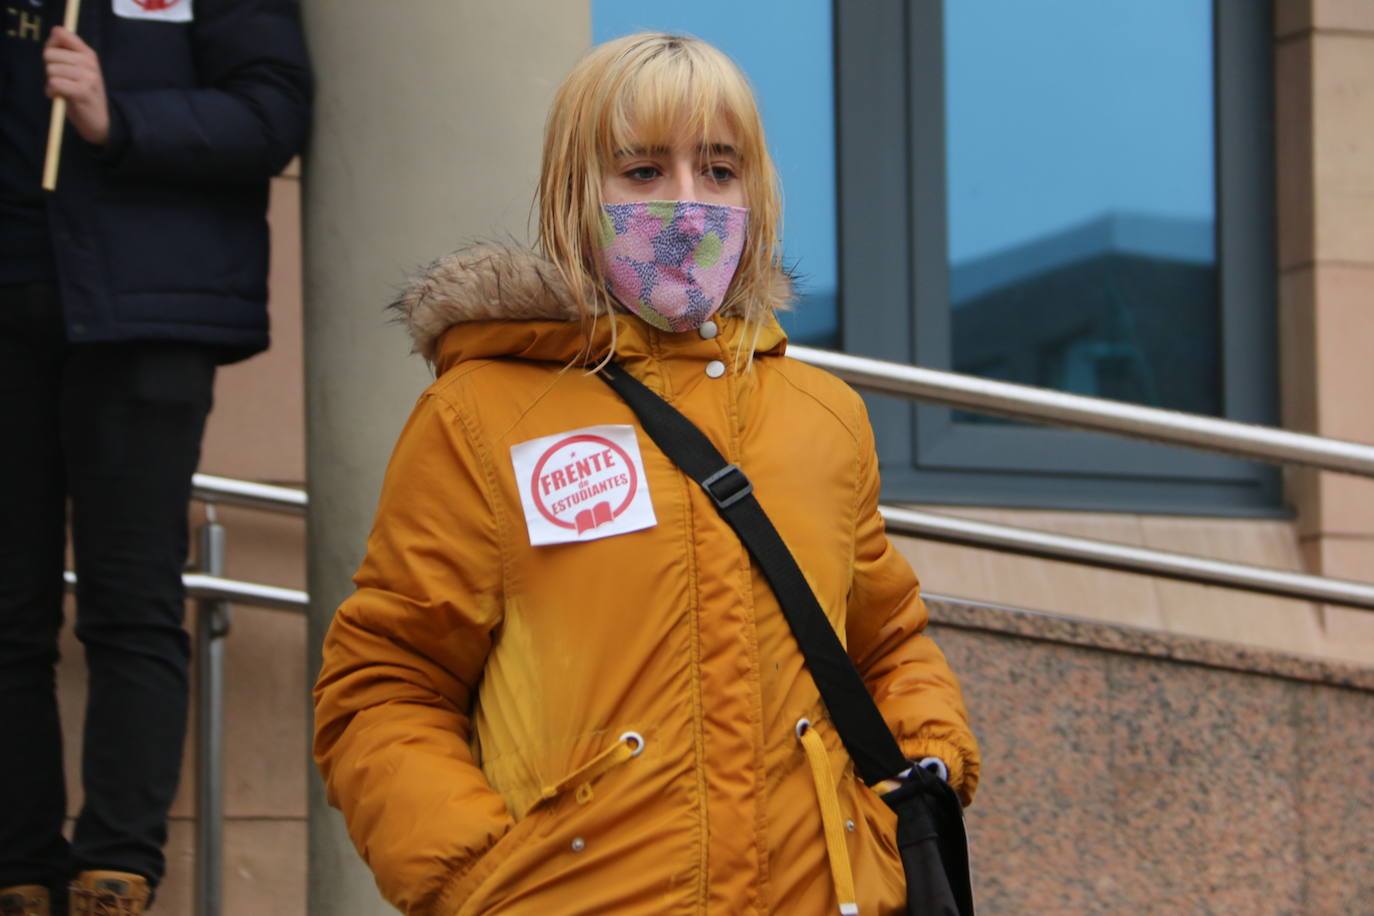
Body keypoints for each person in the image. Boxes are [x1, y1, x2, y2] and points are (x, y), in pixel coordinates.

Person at [313, 32, 977, 916]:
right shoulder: (480, 417)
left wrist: (922, 766)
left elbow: (887, 641)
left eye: (718, 169)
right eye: (641, 172)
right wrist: (480, 882)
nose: (688, 207)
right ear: (573, 195)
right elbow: (386, 687)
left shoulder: (825, 418)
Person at [0, 1, 311, 913]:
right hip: (10, 297)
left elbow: (273, 111)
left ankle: (117, 871)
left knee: (131, 596)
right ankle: (17, 869)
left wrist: (115, 114)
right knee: (7, 609)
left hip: (145, 312)